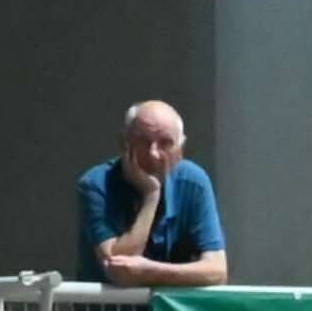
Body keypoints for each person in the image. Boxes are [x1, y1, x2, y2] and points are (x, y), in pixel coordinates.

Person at [79, 99, 229, 289]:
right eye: (143, 142)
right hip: (107, 308)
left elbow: (217, 271)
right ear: (124, 143)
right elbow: (120, 272)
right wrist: (151, 196)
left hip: (168, 308)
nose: (153, 154)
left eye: (165, 143)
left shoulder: (194, 182)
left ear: (180, 151)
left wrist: (149, 271)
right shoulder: (96, 184)